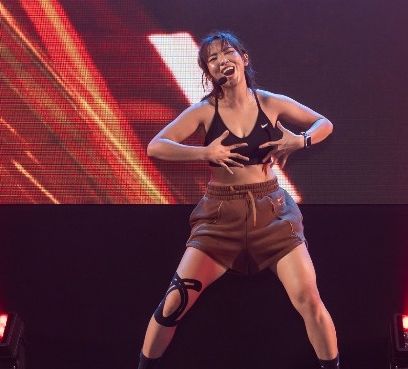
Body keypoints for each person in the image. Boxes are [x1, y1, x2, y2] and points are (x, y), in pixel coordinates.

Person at [136, 31, 339, 369]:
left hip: (272, 215)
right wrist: (204, 152)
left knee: (309, 300)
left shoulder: (269, 102)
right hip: (220, 218)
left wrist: (300, 141)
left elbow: (324, 124)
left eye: (227, 53)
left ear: (243, 59)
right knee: (173, 304)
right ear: (208, 72)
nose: (221, 61)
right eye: (212, 59)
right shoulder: (205, 111)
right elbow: (156, 146)